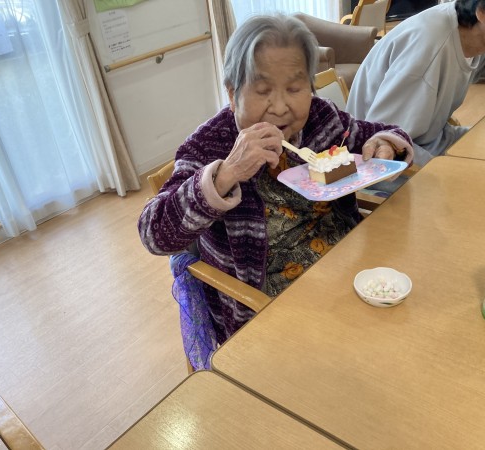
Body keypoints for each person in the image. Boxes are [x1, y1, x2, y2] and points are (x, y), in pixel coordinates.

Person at [138, 14, 413, 349]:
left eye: (295, 88)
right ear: (232, 93)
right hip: (267, 299)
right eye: (263, 90)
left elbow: (378, 133)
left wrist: (385, 143)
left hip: (347, 258)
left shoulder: (320, 118)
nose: (281, 107)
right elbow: (154, 234)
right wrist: (226, 175)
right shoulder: (209, 145)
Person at [347, 0, 485, 193]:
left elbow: (484, 66)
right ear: (482, 12)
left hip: (430, 140)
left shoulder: (472, 32)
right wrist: (453, 174)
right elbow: (386, 145)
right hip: (386, 161)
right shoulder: (428, 45)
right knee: (479, 187)